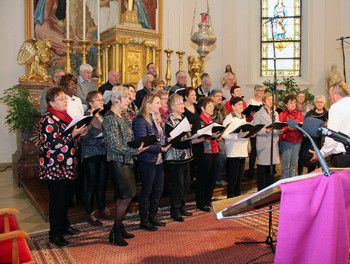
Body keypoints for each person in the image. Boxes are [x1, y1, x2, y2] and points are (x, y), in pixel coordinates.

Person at [38, 87, 87, 247]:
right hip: (54, 167)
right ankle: (55, 234)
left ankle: (65, 226)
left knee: (66, 199)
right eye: (60, 99)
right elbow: (50, 144)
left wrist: (79, 134)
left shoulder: (66, 118)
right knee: (57, 201)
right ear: (51, 102)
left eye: (65, 99)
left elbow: (70, 142)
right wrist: (73, 134)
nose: (65, 101)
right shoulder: (48, 120)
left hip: (68, 164)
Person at [102, 86, 148, 246]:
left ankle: (119, 227)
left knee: (125, 196)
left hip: (127, 159)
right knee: (125, 196)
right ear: (116, 99)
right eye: (127, 98)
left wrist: (137, 145)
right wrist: (135, 150)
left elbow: (126, 140)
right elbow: (113, 145)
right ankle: (115, 230)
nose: (130, 101)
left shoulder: (121, 117)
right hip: (117, 161)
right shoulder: (109, 118)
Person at [132, 94, 171, 231]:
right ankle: (144, 219)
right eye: (157, 103)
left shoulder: (156, 118)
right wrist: (161, 148)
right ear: (148, 104)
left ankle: (153, 216)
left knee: (158, 189)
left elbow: (160, 138)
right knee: (147, 191)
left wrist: (169, 141)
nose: (160, 106)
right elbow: (143, 143)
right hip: (147, 159)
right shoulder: (141, 121)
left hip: (158, 159)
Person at [164, 94, 203, 222]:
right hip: (175, 157)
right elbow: (174, 141)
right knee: (178, 185)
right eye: (180, 103)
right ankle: (174, 210)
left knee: (186, 184)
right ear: (173, 106)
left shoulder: (184, 117)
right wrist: (192, 141)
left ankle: (182, 207)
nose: (183, 106)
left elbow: (188, 135)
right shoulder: (169, 122)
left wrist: (195, 138)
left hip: (187, 155)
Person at [80, 91, 112, 226]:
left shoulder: (101, 115)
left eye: (102, 100)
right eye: (98, 100)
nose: (102, 102)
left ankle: (101, 208)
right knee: (92, 184)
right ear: (90, 103)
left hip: (102, 152)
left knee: (102, 183)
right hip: (90, 153)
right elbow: (84, 136)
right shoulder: (87, 116)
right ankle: (89, 213)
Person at [310, 81, 350, 167]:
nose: (329, 98)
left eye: (330, 95)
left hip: (343, 157)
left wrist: (321, 153)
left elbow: (331, 136)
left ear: (337, 94)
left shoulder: (336, 107)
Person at [192, 97, 221, 212]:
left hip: (214, 151)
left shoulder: (211, 121)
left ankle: (208, 199)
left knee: (212, 177)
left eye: (212, 106)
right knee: (203, 178)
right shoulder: (198, 121)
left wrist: (219, 136)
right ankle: (201, 202)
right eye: (209, 106)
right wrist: (210, 136)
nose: (212, 108)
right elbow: (195, 138)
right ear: (202, 108)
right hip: (204, 153)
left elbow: (216, 136)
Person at [252, 93, 281, 191]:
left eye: (272, 99)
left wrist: (280, 130)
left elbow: (277, 126)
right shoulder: (258, 114)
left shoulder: (275, 113)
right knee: (262, 170)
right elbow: (255, 130)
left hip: (273, 143)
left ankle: (269, 191)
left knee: (271, 171)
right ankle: (261, 192)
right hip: (264, 144)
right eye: (268, 99)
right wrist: (265, 130)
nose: (271, 101)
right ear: (263, 102)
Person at [223, 97, 249, 197]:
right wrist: (237, 136)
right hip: (233, 151)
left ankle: (237, 195)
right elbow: (224, 135)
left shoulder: (243, 117)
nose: (241, 106)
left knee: (240, 176)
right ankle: (231, 196)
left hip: (242, 150)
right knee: (233, 177)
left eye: (242, 104)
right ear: (233, 106)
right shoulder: (229, 118)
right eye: (238, 104)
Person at [279, 94, 303, 179]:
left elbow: (301, 124)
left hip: (297, 140)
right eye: (290, 103)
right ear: (286, 104)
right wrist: (288, 128)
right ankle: (285, 182)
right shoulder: (283, 114)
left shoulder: (299, 113)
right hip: (287, 141)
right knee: (286, 165)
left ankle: (292, 182)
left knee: (294, 164)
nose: (293, 104)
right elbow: (280, 128)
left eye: (294, 102)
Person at [302, 95, 328, 172]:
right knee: (311, 167)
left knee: (323, 166)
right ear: (315, 103)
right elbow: (305, 126)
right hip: (311, 142)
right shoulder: (310, 114)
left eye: (321, 102)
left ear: (324, 103)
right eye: (317, 102)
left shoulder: (327, 114)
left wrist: (328, 125)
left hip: (323, 142)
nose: (319, 104)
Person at [210, 89, 228, 186]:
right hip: (211, 138)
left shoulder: (223, 108)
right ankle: (211, 180)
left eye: (221, 96)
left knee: (221, 158)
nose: (220, 98)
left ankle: (218, 178)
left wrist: (222, 134)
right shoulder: (209, 108)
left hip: (221, 137)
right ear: (212, 97)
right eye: (217, 96)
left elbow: (226, 122)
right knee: (212, 160)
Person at [247, 85, 264, 179]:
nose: (261, 92)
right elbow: (247, 116)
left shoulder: (264, 102)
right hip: (253, 127)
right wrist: (251, 115)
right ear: (255, 91)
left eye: (262, 90)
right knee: (254, 150)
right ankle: (251, 170)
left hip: (263, 128)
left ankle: (260, 169)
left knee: (261, 150)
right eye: (259, 90)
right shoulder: (251, 101)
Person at [296, 90, 310, 175]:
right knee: (298, 154)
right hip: (296, 131)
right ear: (297, 98)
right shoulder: (294, 107)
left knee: (303, 153)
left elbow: (308, 120)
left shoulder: (307, 108)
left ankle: (301, 171)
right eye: (299, 96)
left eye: (302, 97)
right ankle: (298, 170)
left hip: (304, 132)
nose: (301, 98)